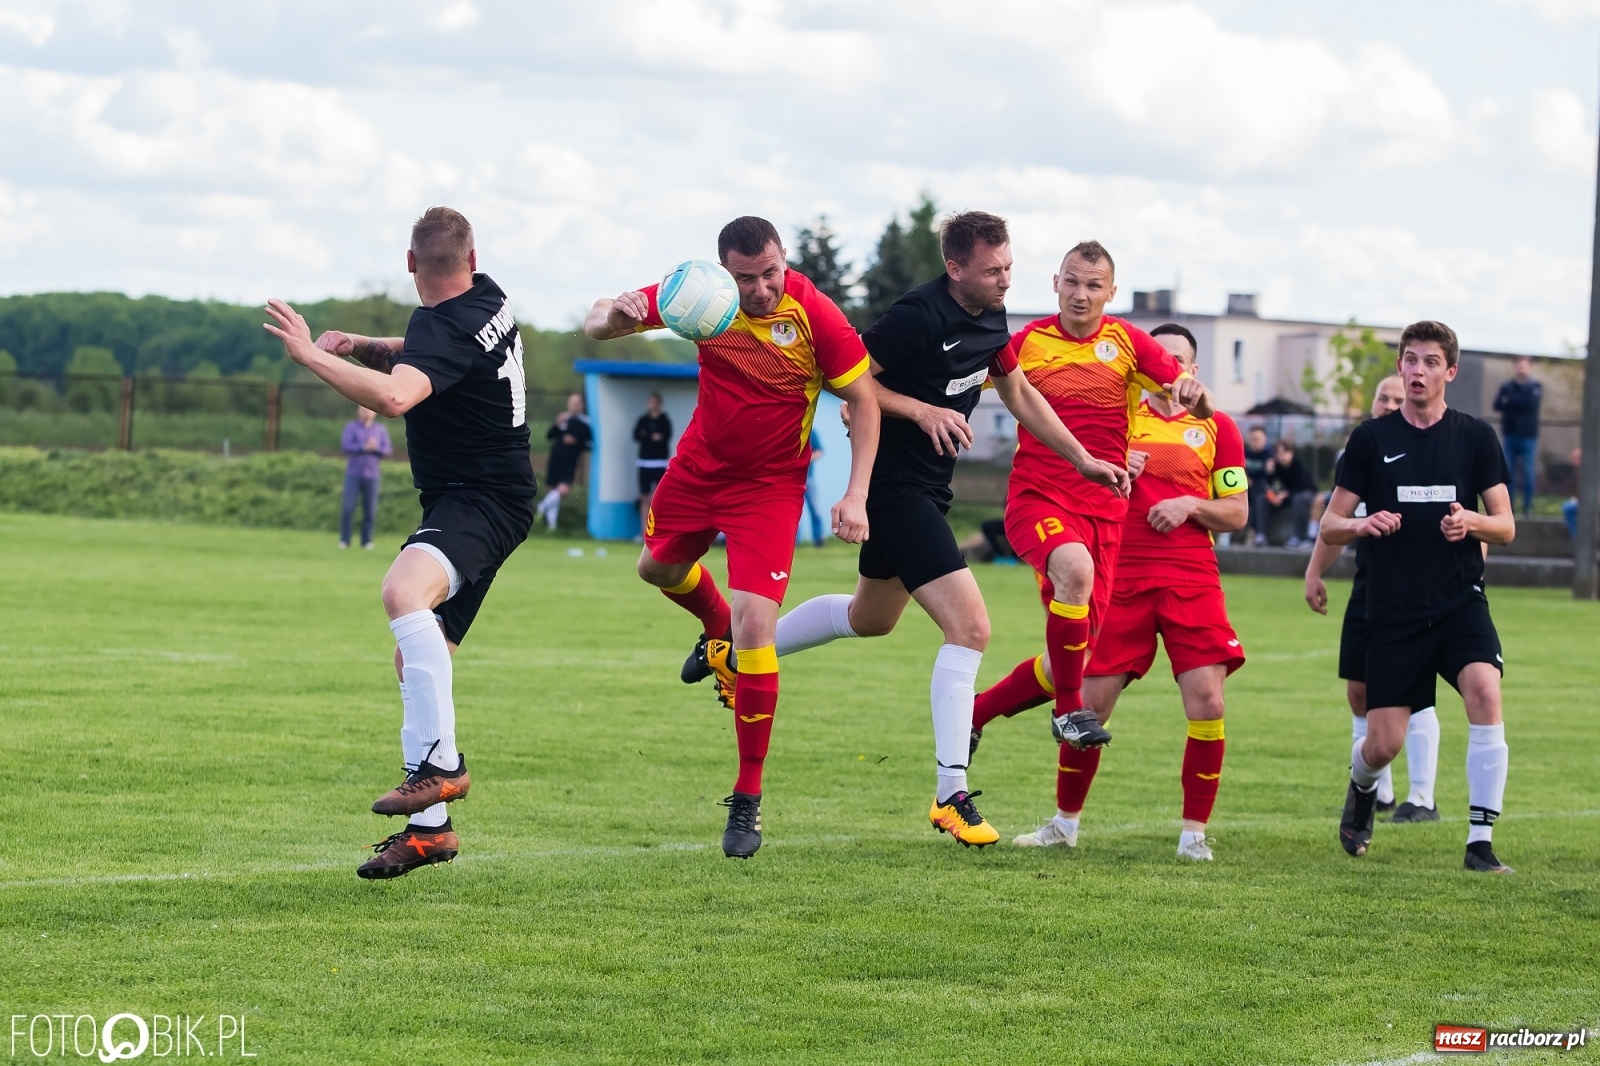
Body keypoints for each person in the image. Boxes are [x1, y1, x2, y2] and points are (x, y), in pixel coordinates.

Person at [768, 212, 1128, 848]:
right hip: (893, 485)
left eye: (1009, 267)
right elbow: (847, 384)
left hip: (928, 488)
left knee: (870, 618)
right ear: (955, 268)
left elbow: (1018, 393)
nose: (1006, 281)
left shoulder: (992, 317)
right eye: (993, 270)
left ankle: (746, 649)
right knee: (972, 628)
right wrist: (921, 408)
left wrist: (1084, 460)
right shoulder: (917, 317)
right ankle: (949, 793)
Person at [582, 216, 881, 859]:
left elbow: (865, 397)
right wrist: (619, 314)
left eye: (771, 271)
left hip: (770, 487)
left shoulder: (815, 314)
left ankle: (747, 800)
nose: (763, 288)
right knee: (655, 571)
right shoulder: (701, 295)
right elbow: (597, 319)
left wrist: (855, 493)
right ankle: (715, 632)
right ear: (725, 272)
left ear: (783, 261)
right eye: (748, 277)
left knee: (758, 630)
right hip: (698, 468)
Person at [263, 206, 535, 879]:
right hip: (494, 495)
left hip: (478, 500)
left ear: (410, 263)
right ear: (470, 258)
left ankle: (441, 766)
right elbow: (441, 343)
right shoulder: (488, 298)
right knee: (417, 657)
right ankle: (429, 832)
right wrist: (369, 343)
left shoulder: (443, 324)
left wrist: (308, 356)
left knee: (401, 590)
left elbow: (395, 399)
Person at [972, 325, 1246, 859]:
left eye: (1179, 361)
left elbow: (1237, 513)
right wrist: (1122, 461)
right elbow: (1063, 440)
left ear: (1192, 369)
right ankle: (1064, 823)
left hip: (1191, 573)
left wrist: (1192, 506)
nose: (1167, 368)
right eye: (1160, 357)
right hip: (1119, 565)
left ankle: (1194, 835)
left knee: (1208, 698)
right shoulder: (1118, 417)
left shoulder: (1218, 427)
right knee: (1088, 702)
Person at [1319, 320, 1515, 873]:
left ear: (1450, 372)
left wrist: (1471, 522)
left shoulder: (1475, 436)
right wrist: (1362, 525)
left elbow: (1505, 526)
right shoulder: (1370, 439)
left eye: (1430, 362)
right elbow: (1330, 525)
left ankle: (1480, 843)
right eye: (1410, 360)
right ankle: (1362, 789)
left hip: (1458, 601)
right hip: (1393, 609)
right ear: (1401, 367)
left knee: (1484, 691)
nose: (1418, 371)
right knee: (1383, 744)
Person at [1304, 375, 1441, 823]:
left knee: (1416, 694)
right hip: (1371, 583)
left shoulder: (1436, 447)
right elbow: (1338, 519)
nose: (1388, 404)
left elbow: (1472, 513)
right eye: (1383, 396)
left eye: (1397, 398)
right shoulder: (1360, 450)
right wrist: (1314, 570)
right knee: (1360, 690)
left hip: (1425, 586)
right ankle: (1379, 791)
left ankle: (1422, 797)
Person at [1493, 355, 1542, 515]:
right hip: (1510, 434)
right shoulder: (1506, 386)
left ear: (1529, 366)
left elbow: (1530, 403)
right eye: (1519, 364)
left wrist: (1511, 401)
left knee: (1528, 474)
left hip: (1528, 436)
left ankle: (1528, 508)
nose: (1521, 367)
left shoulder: (1535, 386)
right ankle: (1509, 508)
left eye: (1524, 364)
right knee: (1508, 474)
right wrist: (1516, 401)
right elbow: (1498, 404)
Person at [339, 406, 391, 550]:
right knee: (348, 508)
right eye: (363, 410)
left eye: (369, 410)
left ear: (374, 413)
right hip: (353, 474)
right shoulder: (351, 427)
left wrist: (375, 448)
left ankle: (366, 541)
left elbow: (387, 450)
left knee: (370, 510)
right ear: (358, 411)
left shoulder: (380, 430)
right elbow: (346, 445)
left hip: (372, 475)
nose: (366, 413)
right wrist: (363, 447)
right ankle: (345, 540)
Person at [538, 393, 593, 530]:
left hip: (570, 461)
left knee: (562, 490)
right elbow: (549, 435)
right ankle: (552, 526)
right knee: (552, 491)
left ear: (582, 405)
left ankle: (541, 507)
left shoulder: (584, 423)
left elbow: (589, 444)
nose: (574, 406)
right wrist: (557, 423)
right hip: (555, 458)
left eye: (577, 403)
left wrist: (575, 442)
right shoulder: (564, 420)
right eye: (572, 403)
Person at [633, 390, 672, 538]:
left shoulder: (664, 421)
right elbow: (637, 435)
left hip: (659, 463)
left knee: (658, 498)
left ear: (659, 404)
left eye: (655, 402)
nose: (653, 405)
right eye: (651, 402)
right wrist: (651, 437)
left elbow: (666, 437)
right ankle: (644, 531)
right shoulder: (643, 420)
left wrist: (654, 437)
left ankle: (657, 532)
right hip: (644, 462)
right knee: (644, 497)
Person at [1265, 439, 1317, 547]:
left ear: (1291, 453)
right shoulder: (1277, 467)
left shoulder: (1298, 465)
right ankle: (1261, 535)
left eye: (1284, 453)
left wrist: (1284, 494)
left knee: (1299, 499)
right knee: (1263, 499)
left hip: (1305, 494)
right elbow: (1272, 485)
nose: (1281, 456)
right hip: (1287, 497)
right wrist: (1269, 473)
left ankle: (1299, 536)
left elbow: (1301, 486)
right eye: (1278, 453)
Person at [1243, 425, 1271, 546]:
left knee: (1258, 497)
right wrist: (1246, 478)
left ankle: (1256, 533)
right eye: (1253, 439)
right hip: (1245, 486)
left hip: (1261, 488)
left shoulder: (1269, 455)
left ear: (1265, 440)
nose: (1255, 442)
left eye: (1258, 439)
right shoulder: (1244, 453)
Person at [1564, 448, 1581, 538]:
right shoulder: (1575, 474)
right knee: (1568, 507)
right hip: (1582, 502)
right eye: (1573, 458)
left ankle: (1579, 540)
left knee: (1568, 508)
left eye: (1577, 458)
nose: (1574, 461)